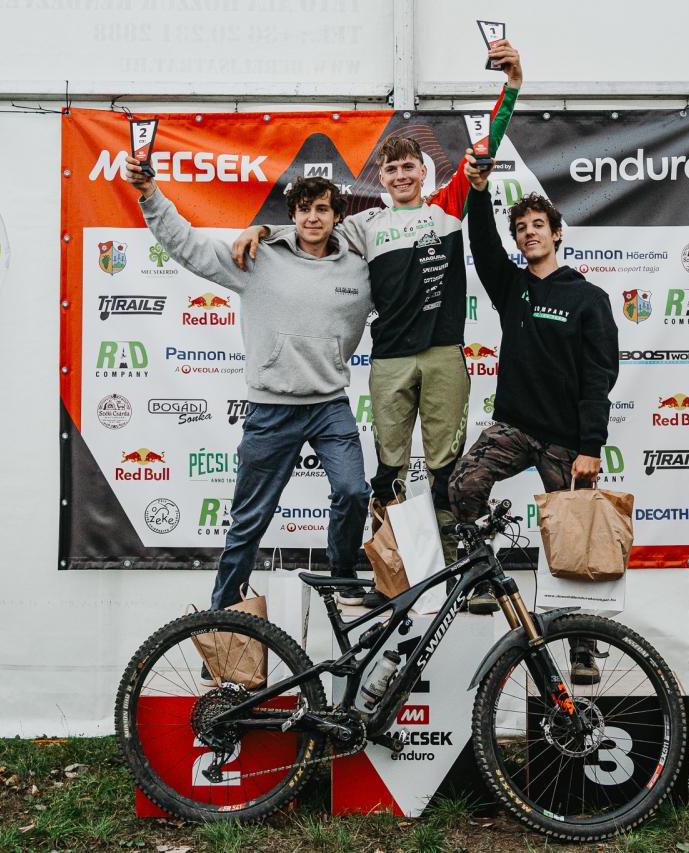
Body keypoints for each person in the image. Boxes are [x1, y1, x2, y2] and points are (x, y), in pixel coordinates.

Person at [234, 40, 524, 611]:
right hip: (389, 359)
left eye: (409, 166)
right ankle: (391, 578)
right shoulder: (365, 226)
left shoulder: (447, 207)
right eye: (391, 169)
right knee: (388, 472)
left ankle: (452, 578)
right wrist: (262, 231)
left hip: (444, 354)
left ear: (424, 171)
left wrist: (510, 87)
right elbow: (310, 230)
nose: (400, 174)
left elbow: (485, 146)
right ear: (383, 178)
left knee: (444, 470)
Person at [124, 163, 374, 623]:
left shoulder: (360, 269)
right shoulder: (258, 259)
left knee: (353, 491)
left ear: (337, 216)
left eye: (322, 209)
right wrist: (150, 194)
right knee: (249, 521)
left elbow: (403, 259)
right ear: (292, 215)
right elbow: (189, 247)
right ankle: (221, 618)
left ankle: (343, 575)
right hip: (271, 409)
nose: (312, 217)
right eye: (303, 209)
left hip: (329, 406)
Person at [449, 154, 619, 680]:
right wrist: (479, 193)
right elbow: (483, 246)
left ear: (556, 233)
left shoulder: (589, 298)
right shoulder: (513, 288)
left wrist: (590, 447)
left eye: (537, 225)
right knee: (463, 484)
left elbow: (599, 376)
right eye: (521, 228)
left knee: (574, 542)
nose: (529, 234)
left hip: (567, 440)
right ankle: (483, 579)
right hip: (515, 428)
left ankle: (583, 648)